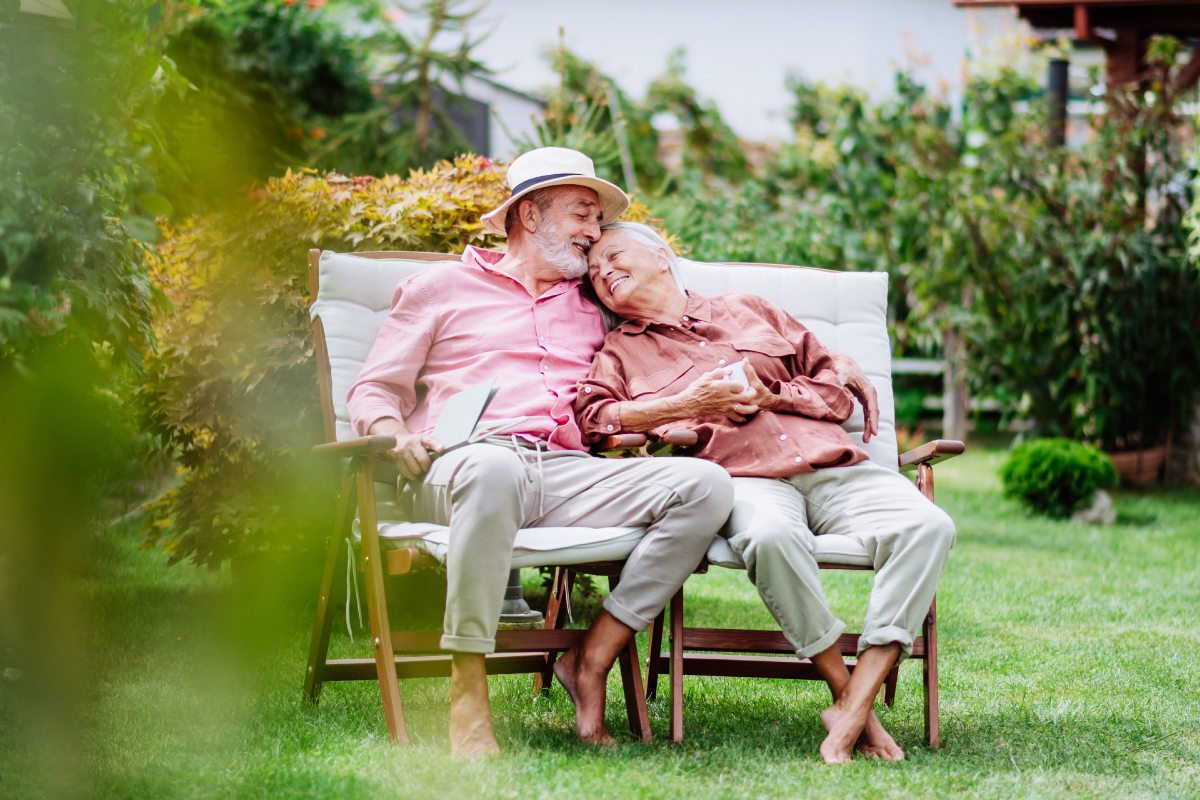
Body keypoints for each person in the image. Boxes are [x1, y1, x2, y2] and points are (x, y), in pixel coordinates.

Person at [347, 148, 735, 756]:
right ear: (530, 214)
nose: (594, 232)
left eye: (597, 220)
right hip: (461, 463)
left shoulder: (595, 305)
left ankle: (593, 654)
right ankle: (468, 686)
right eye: (583, 214)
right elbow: (374, 388)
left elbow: (677, 334)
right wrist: (395, 435)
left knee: (705, 487)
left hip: (565, 471)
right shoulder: (439, 287)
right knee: (495, 469)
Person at [574, 221, 956, 764]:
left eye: (613, 255)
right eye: (593, 272)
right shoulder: (619, 352)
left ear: (662, 258)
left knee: (930, 526)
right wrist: (681, 405)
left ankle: (852, 706)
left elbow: (836, 393)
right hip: (743, 480)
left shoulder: (749, 307)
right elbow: (594, 419)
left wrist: (771, 394)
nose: (603, 271)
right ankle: (850, 702)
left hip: (834, 467)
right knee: (771, 536)